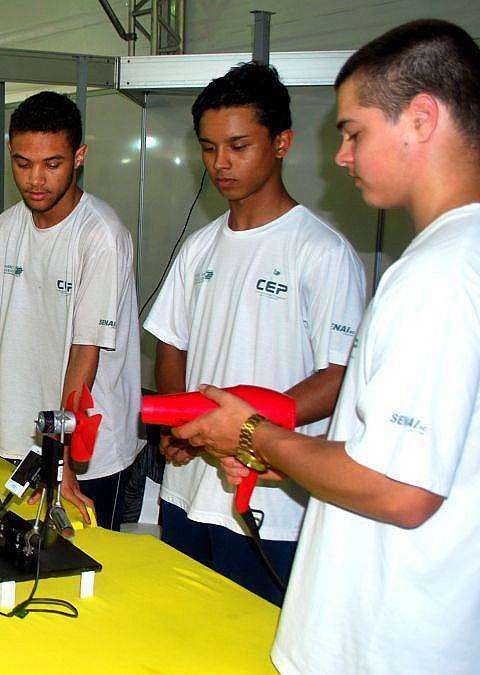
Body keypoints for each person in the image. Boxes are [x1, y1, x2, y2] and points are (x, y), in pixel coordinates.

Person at [172, 19, 480, 674]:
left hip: (388, 638)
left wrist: (256, 434)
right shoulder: (454, 260)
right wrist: (297, 459)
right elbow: (405, 453)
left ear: (421, 119)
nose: (342, 155)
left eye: (353, 132)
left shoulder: (439, 275)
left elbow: (402, 487)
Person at [142, 63, 366, 604]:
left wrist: (247, 430)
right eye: (209, 147)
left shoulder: (322, 252)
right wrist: (180, 427)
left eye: (238, 146)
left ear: (281, 142)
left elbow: (339, 375)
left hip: (271, 500)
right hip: (188, 489)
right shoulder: (199, 248)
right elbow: (171, 344)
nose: (221, 163)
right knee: (179, 638)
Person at [0, 91, 141, 530]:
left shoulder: (100, 236)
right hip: (22, 433)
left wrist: (65, 458)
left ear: (79, 157)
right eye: (23, 163)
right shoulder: (7, 225)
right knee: (19, 564)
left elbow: (85, 354)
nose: (36, 179)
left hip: (86, 452)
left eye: (52, 164)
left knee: (84, 575)